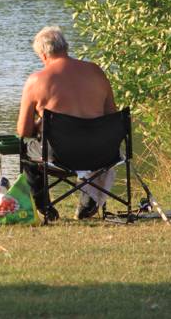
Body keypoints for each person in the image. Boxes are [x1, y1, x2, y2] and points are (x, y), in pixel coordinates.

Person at [16, 26, 117, 220]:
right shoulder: (96, 71)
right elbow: (111, 115)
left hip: (59, 157)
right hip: (100, 153)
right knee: (93, 140)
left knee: (25, 150)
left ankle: (45, 208)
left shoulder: (36, 81)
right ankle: (89, 203)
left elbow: (23, 131)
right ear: (66, 47)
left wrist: (40, 124)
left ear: (43, 55)